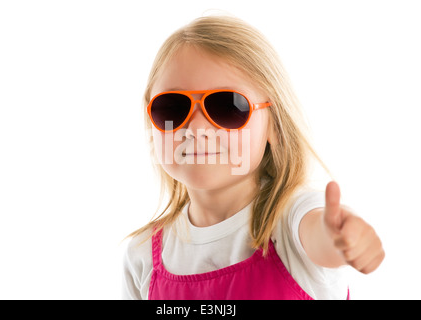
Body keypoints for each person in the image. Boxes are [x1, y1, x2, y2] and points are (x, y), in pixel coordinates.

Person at [122, 15, 384, 300]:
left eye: (228, 106)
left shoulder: (291, 221)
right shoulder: (143, 254)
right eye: (172, 107)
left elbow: (319, 235)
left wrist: (341, 238)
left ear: (274, 126)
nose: (195, 129)